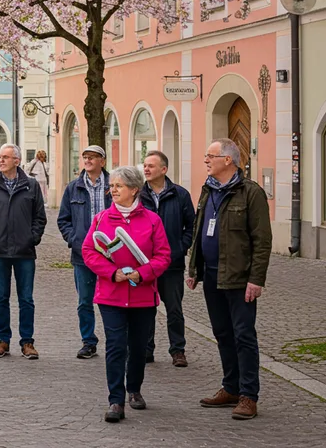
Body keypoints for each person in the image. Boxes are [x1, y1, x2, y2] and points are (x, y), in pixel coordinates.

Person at [187, 139, 272, 421]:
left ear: (228, 160)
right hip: (212, 275)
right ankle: (231, 387)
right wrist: (194, 269)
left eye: (210, 156)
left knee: (243, 335)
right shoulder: (208, 190)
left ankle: (249, 395)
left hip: (239, 278)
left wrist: (256, 279)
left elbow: (262, 240)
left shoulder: (250, 193)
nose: (206, 160)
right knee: (223, 334)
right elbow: (200, 230)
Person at [82, 166, 171, 423]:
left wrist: (143, 274)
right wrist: (113, 273)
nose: (113, 190)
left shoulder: (152, 220)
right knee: (116, 345)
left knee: (139, 346)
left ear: (134, 189)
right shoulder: (101, 219)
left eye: (118, 186)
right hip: (111, 294)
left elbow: (163, 255)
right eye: (112, 186)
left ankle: (134, 388)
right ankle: (116, 400)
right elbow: (89, 251)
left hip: (143, 295)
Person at [0, 144, 46, 359]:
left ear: (17, 160)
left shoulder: (30, 185)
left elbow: (40, 217)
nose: (1, 160)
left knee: (26, 299)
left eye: (6, 157)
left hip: (24, 251)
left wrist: (32, 238)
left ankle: (27, 342)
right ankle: (2, 340)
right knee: (1, 298)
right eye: (0, 157)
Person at [140, 150, 195, 367]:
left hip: (171, 264)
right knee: (146, 308)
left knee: (174, 309)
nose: (146, 169)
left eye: (151, 166)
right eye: (145, 165)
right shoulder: (138, 195)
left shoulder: (180, 195)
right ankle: (146, 349)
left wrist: (180, 248)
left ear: (164, 169)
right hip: (145, 264)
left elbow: (191, 226)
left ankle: (178, 350)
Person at [56, 145, 112, 359]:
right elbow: (63, 219)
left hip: (112, 254)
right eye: (85, 157)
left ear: (102, 161)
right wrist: (74, 240)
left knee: (112, 300)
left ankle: (115, 340)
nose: (88, 160)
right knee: (84, 301)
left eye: (93, 157)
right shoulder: (73, 188)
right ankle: (88, 342)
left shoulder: (114, 185)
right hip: (83, 255)